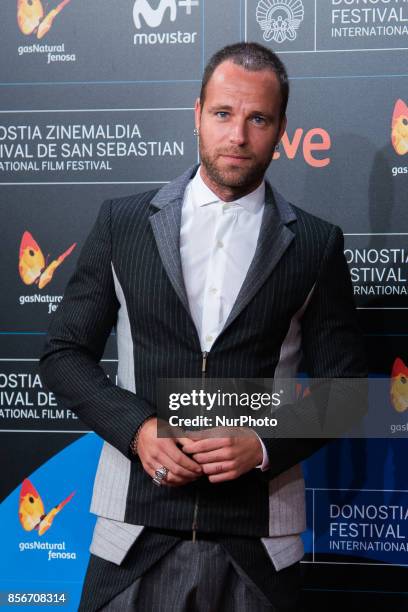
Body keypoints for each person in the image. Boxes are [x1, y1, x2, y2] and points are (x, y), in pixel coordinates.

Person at [40, 42, 367, 611]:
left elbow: (347, 390)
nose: (237, 136)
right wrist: (139, 430)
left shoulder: (316, 243)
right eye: (222, 114)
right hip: (133, 532)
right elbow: (64, 354)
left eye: (257, 118)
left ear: (281, 128)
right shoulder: (123, 224)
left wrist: (266, 443)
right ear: (197, 114)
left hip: (259, 541)